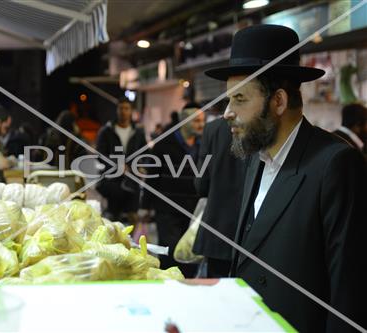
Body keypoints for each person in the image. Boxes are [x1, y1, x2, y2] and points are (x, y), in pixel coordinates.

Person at [204, 24, 366, 332]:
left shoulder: (335, 164)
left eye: (239, 99)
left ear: (278, 102)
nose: (226, 112)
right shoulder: (255, 159)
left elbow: (350, 291)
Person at [146, 103, 205, 278]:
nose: (201, 125)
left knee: (191, 253)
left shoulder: (204, 144)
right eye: (196, 121)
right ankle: (167, 287)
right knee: (170, 253)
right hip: (168, 209)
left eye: (202, 120)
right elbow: (152, 176)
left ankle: (188, 287)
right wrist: (145, 205)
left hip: (193, 210)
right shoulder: (164, 144)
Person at [192, 116, 247, 278]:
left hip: (217, 224)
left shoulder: (212, 129)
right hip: (250, 228)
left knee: (217, 289)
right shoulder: (260, 126)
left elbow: (201, 184)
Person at [96, 97, 147, 221]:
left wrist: (142, 166)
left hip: (132, 180)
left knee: (133, 216)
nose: (123, 111)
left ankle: (130, 240)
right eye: (121, 108)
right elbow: (100, 155)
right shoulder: (106, 131)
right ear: (117, 110)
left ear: (131, 111)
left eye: (126, 108)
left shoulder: (138, 132)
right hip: (113, 181)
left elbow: (145, 153)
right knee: (112, 217)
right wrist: (117, 165)